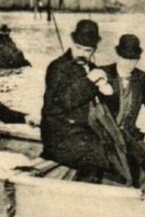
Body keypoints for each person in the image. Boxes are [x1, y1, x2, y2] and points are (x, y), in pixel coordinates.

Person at [40, 19, 119, 183]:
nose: (82, 54)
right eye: (78, 48)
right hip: (59, 135)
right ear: (72, 44)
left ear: (94, 50)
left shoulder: (91, 68)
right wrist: (90, 81)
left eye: (87, 50)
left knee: (117, 150)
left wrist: (107, 91)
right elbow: (64, 101)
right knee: (96, 156)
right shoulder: (57, 67)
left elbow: (110, 108)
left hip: (83, 133)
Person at [101, 34, 145, 188]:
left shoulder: (141, 78)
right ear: (117, 55)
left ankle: (144, 195)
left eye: (133, 60)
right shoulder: (103, 73)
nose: (128, 63)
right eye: (125, 58)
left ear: (138, 60)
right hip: (106, 135)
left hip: (130, 134)